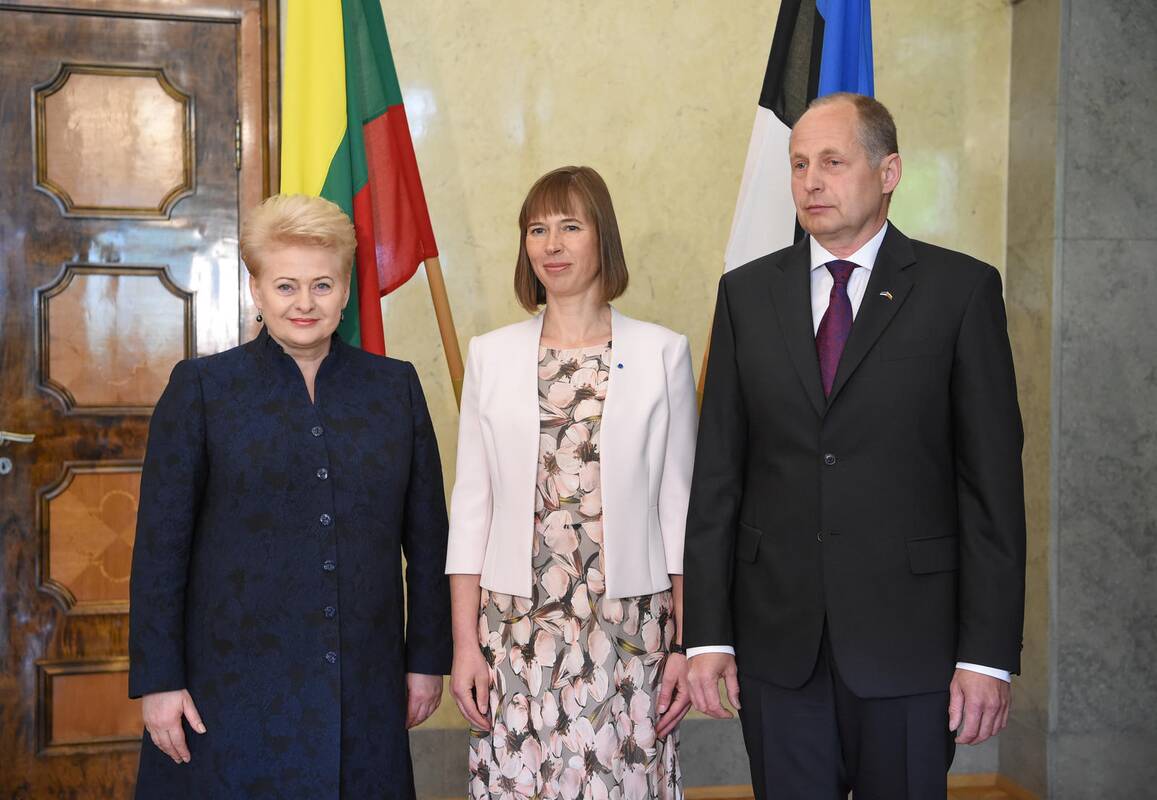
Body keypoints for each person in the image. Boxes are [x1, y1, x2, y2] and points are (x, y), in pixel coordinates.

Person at [683, 93, 1027, 799]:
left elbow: (991, 488)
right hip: (779, 647)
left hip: (910, 646)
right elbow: (717, 477)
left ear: (888, 171)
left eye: (832, 163)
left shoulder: (960, 292)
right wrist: (708, 636)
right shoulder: (746, 296)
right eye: (798, 164)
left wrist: (986, 655)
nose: (810, 181)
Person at [128, 194, 452, 799]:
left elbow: (430, 541)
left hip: (363, 682)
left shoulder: (395, 389)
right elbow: (159, 552)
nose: (305, 303)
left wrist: (426, 660)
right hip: (228, 689)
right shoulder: (202, 390)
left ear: (346, 289)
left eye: (322, 285)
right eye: (285, 286)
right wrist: (158, 681)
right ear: (256, 289)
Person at [445, 166, 697, 800]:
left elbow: (679, 511)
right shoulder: (490, 354)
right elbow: (471, 510)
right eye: (537, 230)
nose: (551, 245)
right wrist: (464, 645)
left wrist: (685, 646)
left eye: (569, 227)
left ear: (602, 236)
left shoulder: (662, 352)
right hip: (514, 628)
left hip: (630, 628)